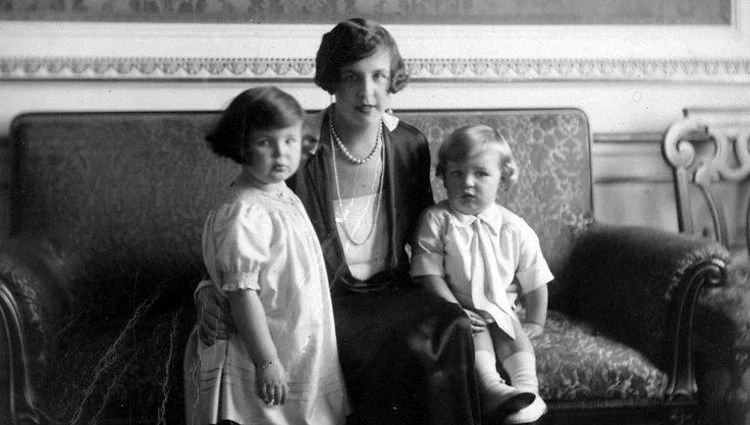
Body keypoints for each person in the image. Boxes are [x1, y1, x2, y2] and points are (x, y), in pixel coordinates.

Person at [188, 18, 496, 425]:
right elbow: (246, 229)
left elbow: (430, 237)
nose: (367, 93)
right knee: (388, 345)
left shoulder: (409, 144)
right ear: (331, 80)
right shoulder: (296, 148)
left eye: (378, 76)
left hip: (391, 290)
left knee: (449, 324)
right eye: (352, 77)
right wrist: (207, 290)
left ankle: (490, 393)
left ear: (392, 80)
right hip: (324, 301)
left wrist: (479, 291)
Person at [184, 86, 349, 425]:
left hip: (290, 336)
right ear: (241, 145)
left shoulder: (282, 195)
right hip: (256, 347)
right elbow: (243, 294)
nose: (280, 154)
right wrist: (267, 361)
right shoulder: (244, 213)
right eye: (265, 142)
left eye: (289, 141)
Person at [411, 124, 552, 424]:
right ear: (443, 176)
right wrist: (455, 309)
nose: (468, 183)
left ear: (503, 178)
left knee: (511, 332)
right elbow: (429, 274)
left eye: (481, 174)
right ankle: (491, 387)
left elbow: (536, 280)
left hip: (500, 307)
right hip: (454, 307)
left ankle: (529, 393)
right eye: (457, 173)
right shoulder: (437, 220)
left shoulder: (515, 228)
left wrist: (536, 322)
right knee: (470, 333)